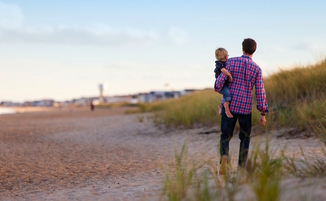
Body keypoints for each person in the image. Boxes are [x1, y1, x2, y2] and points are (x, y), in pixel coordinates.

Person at [215, 38, 269, 174]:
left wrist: (220, 85)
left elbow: (218, 85)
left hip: (230, 105)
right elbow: (260, 92)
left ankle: (224, 157)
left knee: (225, 136)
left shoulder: (231, 62)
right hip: (245, 108)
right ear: (254, 51)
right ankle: (241, 168)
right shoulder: (257, 69)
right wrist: (263, 113)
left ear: (242, 48)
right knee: (245, 138)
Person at [214, 48, 233, 118]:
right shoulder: (220, 64)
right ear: (225, 56)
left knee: (225, 95)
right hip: (221, 84)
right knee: (227, 94)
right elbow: (223, 70)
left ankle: (221, 107)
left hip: (224, 83)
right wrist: (229, 75)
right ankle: (227, 111)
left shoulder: (224, 63)